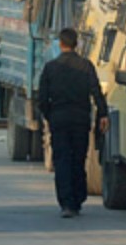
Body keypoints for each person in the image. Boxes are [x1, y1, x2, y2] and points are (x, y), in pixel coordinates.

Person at [38, 28, 109, 218]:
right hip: (80, 120)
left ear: (60, 44)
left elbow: (42, 98)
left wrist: (49, 116)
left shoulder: (50, 68)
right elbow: (96, 92)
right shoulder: (86, 66)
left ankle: (66, 203)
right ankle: (78, 198)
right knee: (78, 159)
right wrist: (103, 114)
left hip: (59, 120)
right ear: (76, 44)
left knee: (62, 161)